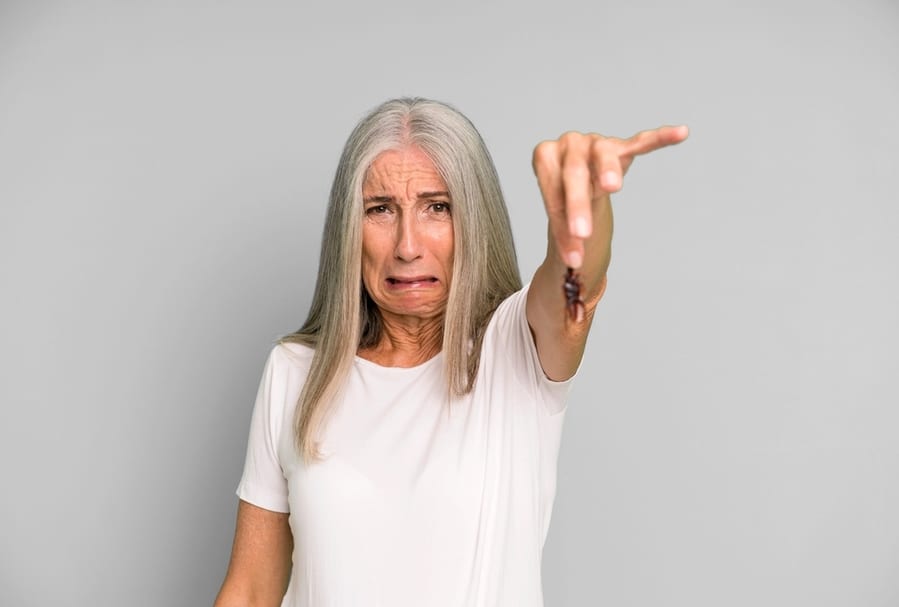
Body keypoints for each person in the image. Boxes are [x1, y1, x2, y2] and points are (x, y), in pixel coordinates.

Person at [214, 97, 688, 607]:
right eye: (380, 210)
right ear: (348, 229)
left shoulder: (514, 350)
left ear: (473, 221)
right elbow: (252, 589)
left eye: (437, 207)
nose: (407, 245)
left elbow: (574, 285)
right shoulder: (295, 372)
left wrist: (587, 208)